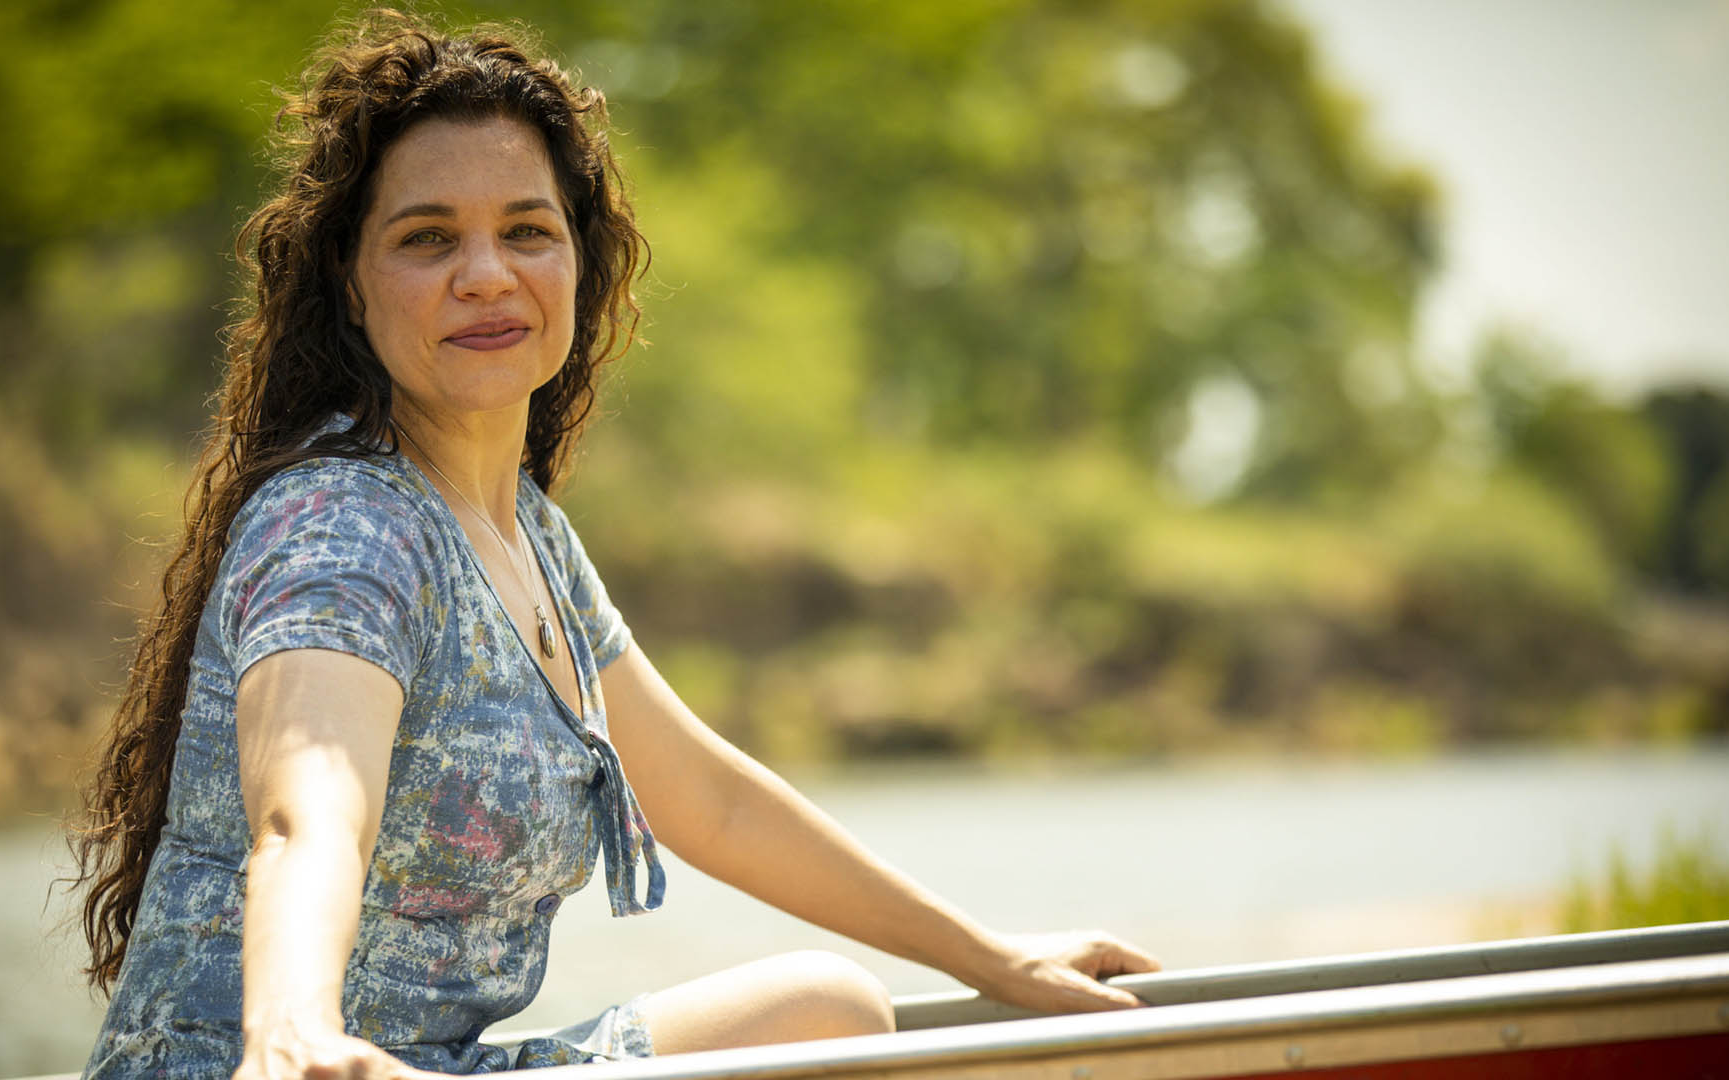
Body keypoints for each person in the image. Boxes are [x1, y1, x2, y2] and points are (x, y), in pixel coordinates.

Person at [72, 12, 1158, 1079]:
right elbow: (305, 813)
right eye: (427, 237)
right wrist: (293, 1028)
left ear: (579, 266)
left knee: (825, 1010)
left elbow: (714, 804)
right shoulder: (343, 524)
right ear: (351, 288)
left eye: (527, 231)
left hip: (433, 1069)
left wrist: (996, 957)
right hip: (269, 1069)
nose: (487, 273)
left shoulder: (526, 534)